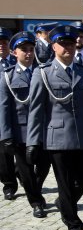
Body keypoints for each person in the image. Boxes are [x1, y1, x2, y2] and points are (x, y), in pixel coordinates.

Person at [27, 25, 83, 230]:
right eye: (62, 43)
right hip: (56, 139)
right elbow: (36, 110)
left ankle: (64, 203)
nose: (67, 47)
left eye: (70, 43)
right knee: (65, 183)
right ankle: (74, 225)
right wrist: (33, 142)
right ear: (54, 46)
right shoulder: (43, 73)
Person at [0, 32, 50, 217]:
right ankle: (36, 201)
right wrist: (6, 136)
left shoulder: (43, 72)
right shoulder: (8, 76)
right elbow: (4, 108)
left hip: (42, 129)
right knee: (26, 168)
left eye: (31, 49)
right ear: (14, 53)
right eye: (24, 50)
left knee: (44, 166)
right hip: (21, 131)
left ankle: (34, 189)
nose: (28, 53)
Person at [0, 27, 19, 201]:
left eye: (4, 42)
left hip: (18, 111)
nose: (1, 46)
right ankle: (9, 184)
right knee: (3, 152)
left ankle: (20, 171)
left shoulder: (16, 62)